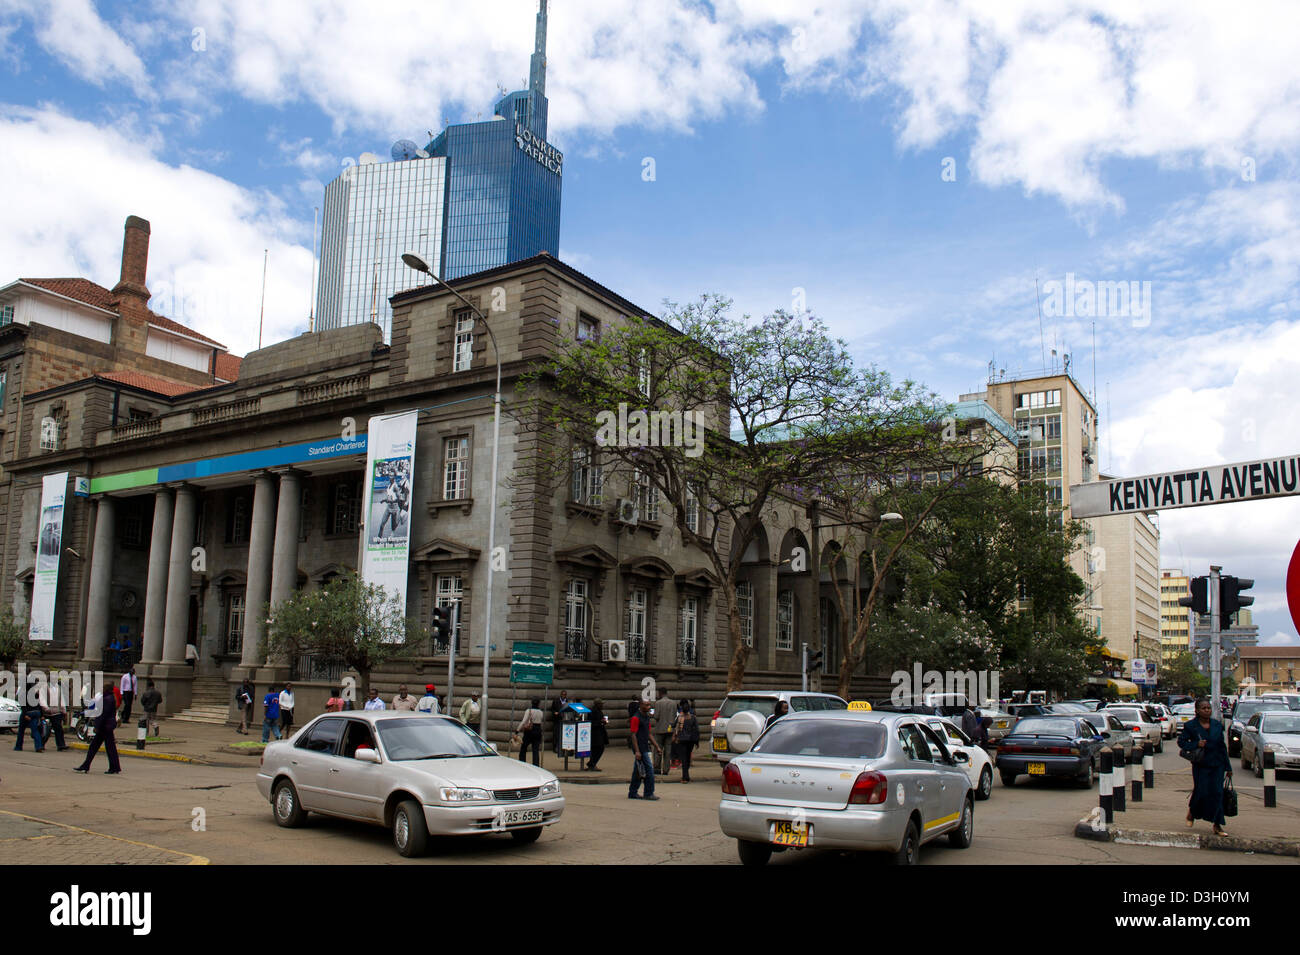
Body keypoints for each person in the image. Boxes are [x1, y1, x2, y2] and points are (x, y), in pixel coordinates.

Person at [1177, 696, 1233, 836]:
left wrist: (1228, 767)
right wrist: (1196, 744)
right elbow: (1181, 742)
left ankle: (1217, 824)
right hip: (1201, 764)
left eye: (1208, 708)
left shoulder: (1216, 725)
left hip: (1217, 764)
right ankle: (1192, 812)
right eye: (1203, 708)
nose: (1207, 710)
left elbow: (1222, 746)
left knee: (1217, 794)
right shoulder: (1191, 726)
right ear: (1197, 710)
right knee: (1201, 792)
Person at [74, 687, 121, 774]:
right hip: (107, 726)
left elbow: (102, 714)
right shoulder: (110, 698)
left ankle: (113, 767)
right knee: (106, 747)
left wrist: (97, 726)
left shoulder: (106, 699)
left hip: (104, 727)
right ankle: (114, 767)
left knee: (100, 747)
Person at [628, 699, 661, 800]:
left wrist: (657, 746)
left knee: (638, 771)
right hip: (640, 748)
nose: (649, 707)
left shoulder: (646, 717)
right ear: (641, 705)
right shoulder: (635, 718)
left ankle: (633, 792)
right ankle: (648, 793)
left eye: (649, 705)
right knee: (649, 770)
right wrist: (637, 751)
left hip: (645, 746)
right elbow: (633, 735)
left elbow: (649, 734)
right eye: (646, 705)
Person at [14, 678, 46, 753]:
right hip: (36, 713)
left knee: (21, 730)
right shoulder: (35, 694)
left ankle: (18, 746)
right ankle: (39, 746)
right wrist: (42, 715)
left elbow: (23, 706)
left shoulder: (23, 694)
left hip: (28, 713)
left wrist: (25, 715)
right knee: (35, 730)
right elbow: (39, 705)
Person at [672, 700, 700, 783]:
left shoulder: (679, 718)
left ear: (682, 709)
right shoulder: (693, 718)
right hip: (690, 741)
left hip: (681, 740)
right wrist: (697, 742)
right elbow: (697, 730)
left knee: (683, 758)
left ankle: (685, 777)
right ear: (689, 710)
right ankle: (686, 776)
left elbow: (674, 726)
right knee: (687, 758)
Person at [39, 678, 69, 751]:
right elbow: (42, 699)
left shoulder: (59, 688)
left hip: (57, 712)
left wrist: (64, 711)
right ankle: (41, 744)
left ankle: (61, 745)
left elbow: (62, 700)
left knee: (59, 729)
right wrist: (46, 708)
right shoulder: (44, 687)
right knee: (46, 730)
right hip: (47, 712)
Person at [654, 687, 678, 775]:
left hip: (660, 729)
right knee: (668, 751)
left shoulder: (658, 703)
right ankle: (666, 770)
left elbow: (656, 716)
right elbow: (675, 715)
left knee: (658, 749)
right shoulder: (673, 703)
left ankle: (657, 768)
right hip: (670, 729)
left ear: (660, 693)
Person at [518, 698, 544, 766]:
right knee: (535, 750)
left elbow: (523, 721)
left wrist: (517, 731)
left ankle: (522, 764)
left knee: (523, 748)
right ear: (539, 703)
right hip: (538, 730)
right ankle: (536, 765)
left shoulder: (528, 711)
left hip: (529, 731)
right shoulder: (541, 712)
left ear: (532, 703)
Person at [586, 699, 608, 771]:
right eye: (601, 704)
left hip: (600, 732)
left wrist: (603, 722)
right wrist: (600, 722)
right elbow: (591, 723)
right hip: (595, 734)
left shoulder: (599, 711)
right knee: (598, 749)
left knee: (597, 749)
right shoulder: (592, 712)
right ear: (597, 704)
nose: (602, 705)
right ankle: (592, 764)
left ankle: (592, 763)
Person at [550, 689, 570, 755]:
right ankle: (555, 747)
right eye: (563, 694)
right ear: (560, 695)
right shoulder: (556, 701)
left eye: (565, 694)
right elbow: (552, 709)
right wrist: (554, 712)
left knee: (564, 735)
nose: (564, 696)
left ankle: (563, 748)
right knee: (556, 734)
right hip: (557, 720)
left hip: (565, 720)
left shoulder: (567, 701)